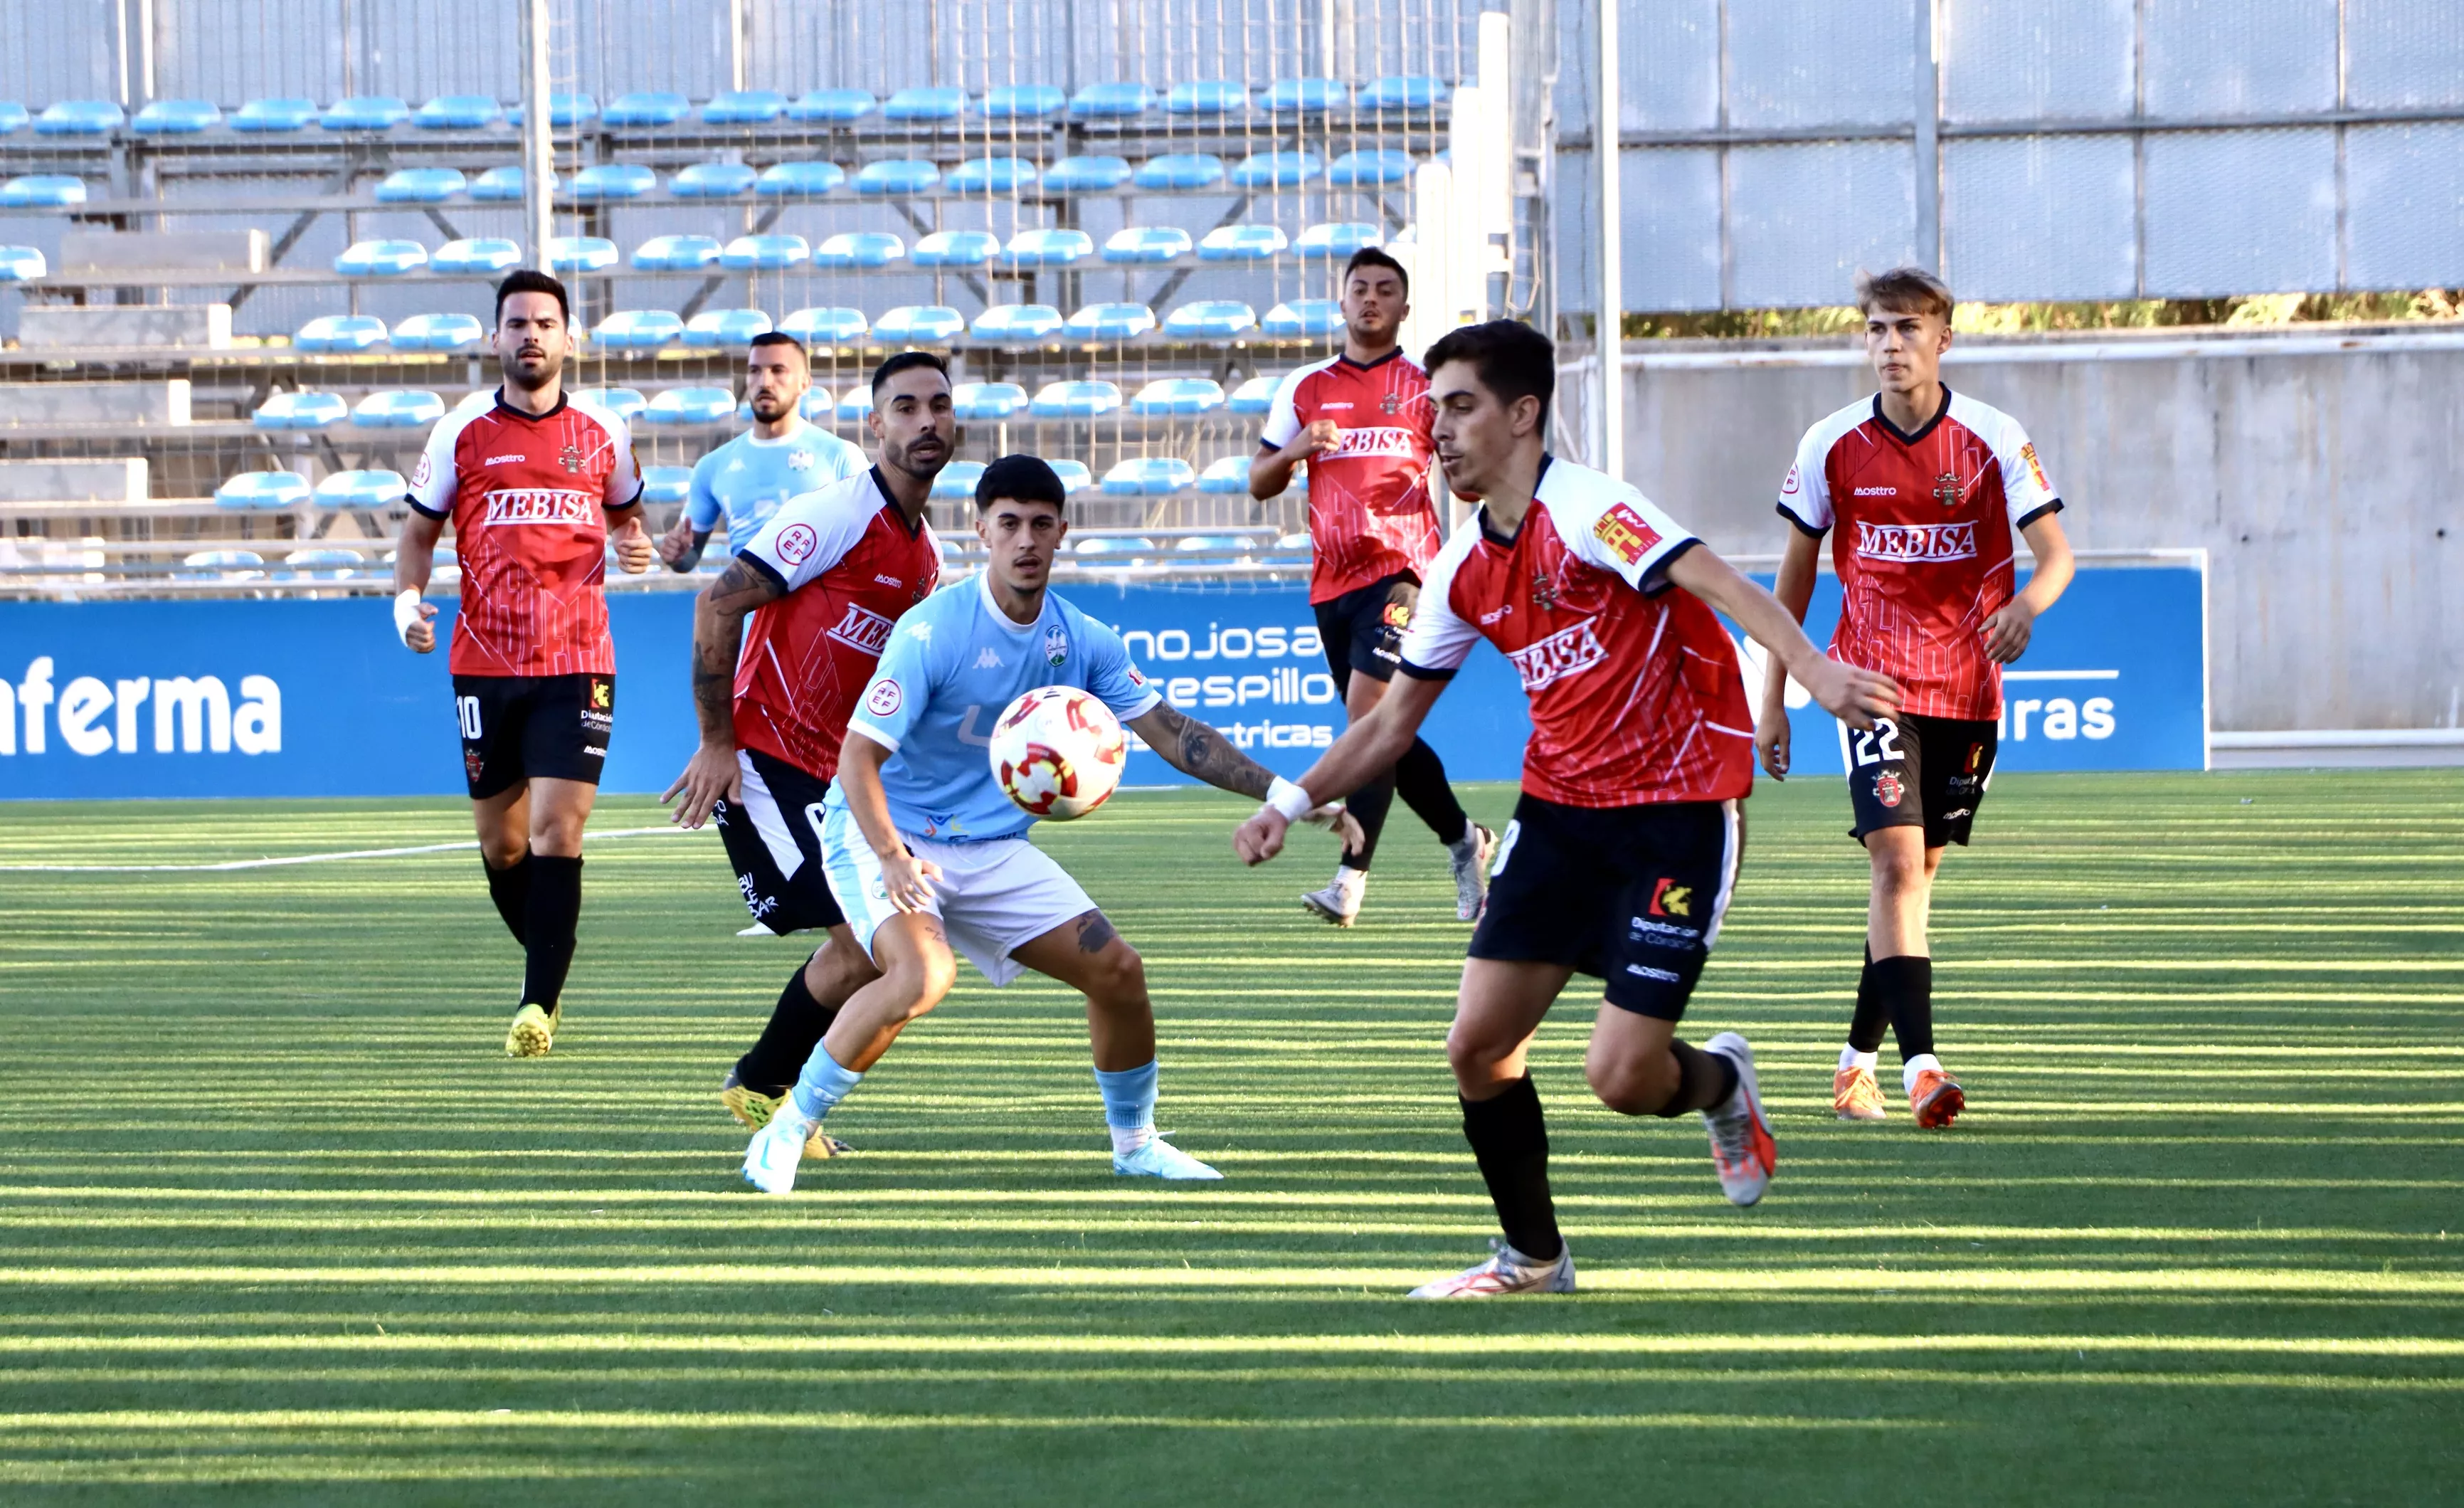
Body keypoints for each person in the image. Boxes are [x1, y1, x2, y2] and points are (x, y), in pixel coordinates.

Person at [1233, 321, 1900, 1297]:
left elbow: (1712, 578)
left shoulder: (1591, 509)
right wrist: (1288, 800)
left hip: (1675, 810)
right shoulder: (1459, 566)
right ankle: (1532, 1258)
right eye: (1430, 411)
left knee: (1622, 1077)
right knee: (1475, 1044)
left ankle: (1717, 1083)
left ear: (1522, 412)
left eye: (1458, 407)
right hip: (1556, 817)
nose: (1437, 431)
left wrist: (1809, 668)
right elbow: (1384, 728)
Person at [741, 455, 1360, 1195]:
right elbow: (857, 759)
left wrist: (1285, 792)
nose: (1025, 540)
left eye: (1040, 524)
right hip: (888, 831)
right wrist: (892, 855)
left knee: (1118, 970)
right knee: (922, 975)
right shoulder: (933, 629)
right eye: (1009, 524)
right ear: (981, 533)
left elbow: (1171, 732)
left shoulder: (1082, 639)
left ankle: (1136, 1144)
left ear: (1062, 532)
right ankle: (786, 1128)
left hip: (991, 845)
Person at [1757, 266, 2075, 1129]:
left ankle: (1852, 1060)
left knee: (1914, 880)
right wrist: (1774, 697)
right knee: (1895, 866)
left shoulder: (1992, 435)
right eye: (1875, 330)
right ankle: (1922, 1070)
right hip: (1870, 683)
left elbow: (2056, 557)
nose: (1890, 345)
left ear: (1943, 340)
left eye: (1906, 329)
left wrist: (2025, 606)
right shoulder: (1829, 442)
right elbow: (1790, 583)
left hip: (1968, 690)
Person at [662, 352, 953, 1144]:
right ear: (874, 424)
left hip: (834, 780)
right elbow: (716, 605)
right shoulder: (835, 513)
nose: (925, 421)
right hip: (765, 757)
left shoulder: (926, 558)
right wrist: (717, 744)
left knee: (871, 949)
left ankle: (760, 1084)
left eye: (938, 405)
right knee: (872, 942)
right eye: (904, 407)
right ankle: (774, 1092)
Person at [391, 268, 655, 1058]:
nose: (532, 335)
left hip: (577, 659)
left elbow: (627, 513)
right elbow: (417, 535)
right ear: (495, 337)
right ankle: (549, 962)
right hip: (484, 662)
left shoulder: (603, 431)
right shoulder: (460, 432)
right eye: (517, 323)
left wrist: (633, 543)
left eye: (546, 322)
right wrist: (406, 604)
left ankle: (538, 1001)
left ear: (571, 338)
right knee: (503, 846)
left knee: (555, 829)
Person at [1250, 246, 1492, 928]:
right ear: (1342, 301)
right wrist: (1298, 450)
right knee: (1384, 731)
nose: (1371, 299)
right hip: (1332, 584)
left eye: (1385, 290)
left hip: (1406, 572)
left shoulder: (1426, 387)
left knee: (1370, 720)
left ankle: (1350, 877)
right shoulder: (1305, 388)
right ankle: (1464, 840)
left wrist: (1460, 463)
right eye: (1360, 289)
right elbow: (1259, 481)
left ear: (1403, 308)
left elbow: (1468, 483)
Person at [655, 331, 867, 576]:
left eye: (778, 370)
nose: (765, 382)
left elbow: (877, 541)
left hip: (820, 608)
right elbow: (689, 558)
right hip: (749, 610)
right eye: (755, 370)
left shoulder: (841, 456)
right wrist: (678, 555)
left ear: (805, 383)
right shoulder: (713, 466)